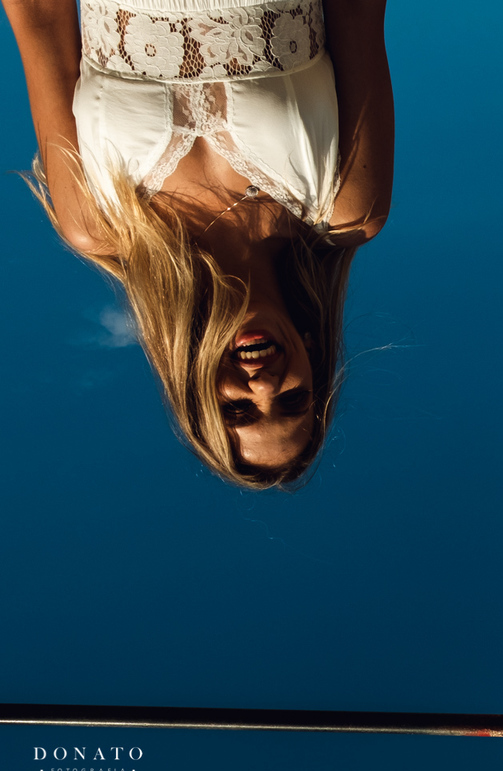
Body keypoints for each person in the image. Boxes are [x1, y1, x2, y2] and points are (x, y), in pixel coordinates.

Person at [4, 0, 393, 488]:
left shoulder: (96, 221)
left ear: (196, 387)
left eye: (238, 409)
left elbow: (40, 20)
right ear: (314, 359)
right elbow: (355, 13)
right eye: (293, 400)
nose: (264, 385)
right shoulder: (349, 207)